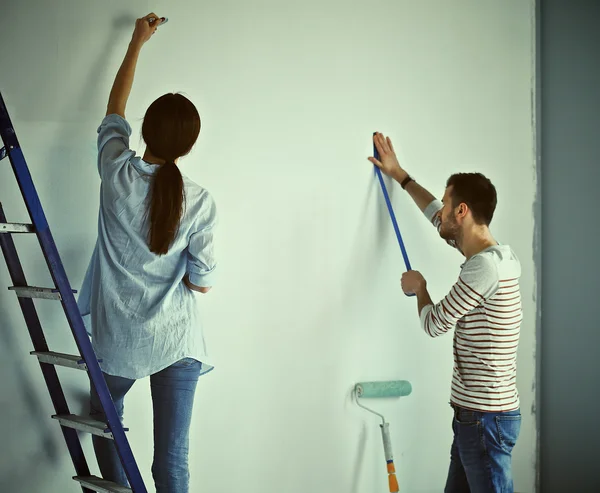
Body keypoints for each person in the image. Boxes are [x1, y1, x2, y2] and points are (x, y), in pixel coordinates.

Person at [77, 13, 217, 493]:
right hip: (179, 343)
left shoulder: (114, 172)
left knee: (104, 418)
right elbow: (202, 280)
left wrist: (137, 40)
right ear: (190, 145)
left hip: (120, 342)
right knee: (171, 465)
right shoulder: (199, 200)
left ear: (143, 132)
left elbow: (114, 107)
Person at [369, 132, 522, 493]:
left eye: (447, 203)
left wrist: (419, 288)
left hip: (485, 420)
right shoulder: (498, 257)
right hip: (477, 418)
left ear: (462, 211)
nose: (440, 211)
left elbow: (434, 323)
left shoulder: (483, 269)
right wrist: (400, 175)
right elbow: (436, 216)